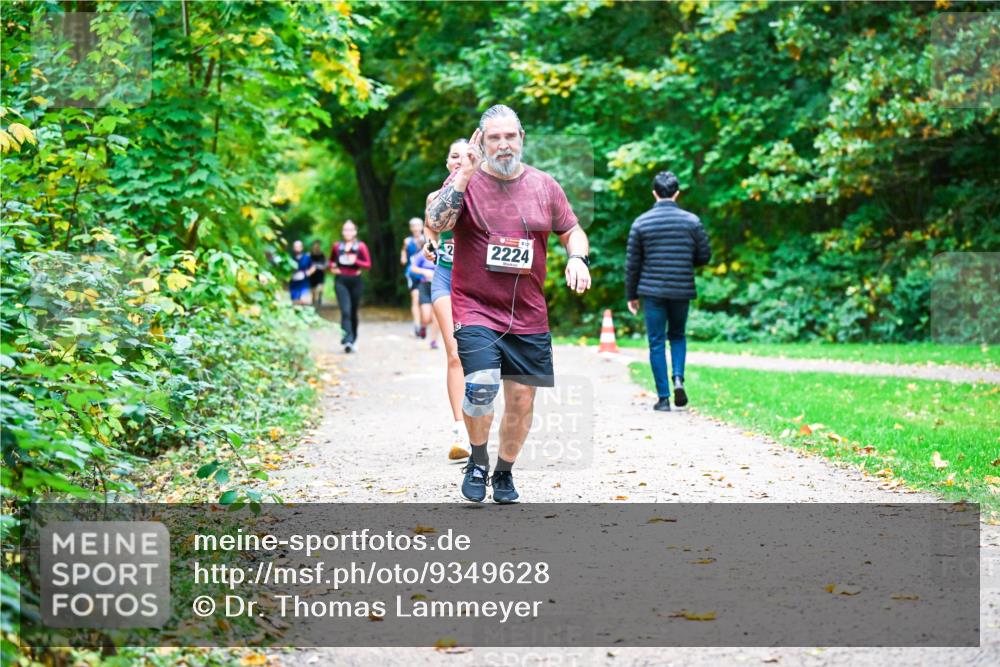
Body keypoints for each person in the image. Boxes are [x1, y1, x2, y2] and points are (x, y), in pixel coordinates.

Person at [426, 104, 591, 504]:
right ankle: (478, 460)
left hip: (528, 314)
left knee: (521, 399)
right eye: (494, 137)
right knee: (480, 385)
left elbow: (572, 230)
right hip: (475, 307)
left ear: (521, 139)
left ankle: (503, 471)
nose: (503, 144)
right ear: (481, 141)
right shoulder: (465, 182)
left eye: (510, 136)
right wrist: (463, 173)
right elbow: (437, 221)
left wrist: (577, 258)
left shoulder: (544, 186)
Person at [625, 171, 711, 412]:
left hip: (652, 291)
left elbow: (632, 264)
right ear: (677, 193)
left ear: (654, 193)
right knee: (678, 336)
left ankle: (663, 398)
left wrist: (631, 295)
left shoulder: (641, 223)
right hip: (681, 289)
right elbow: (705, 256)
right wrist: (684, 260)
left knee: (656, 342)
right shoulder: (692, 222)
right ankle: (678, 379)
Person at [423, 139, 469, 452]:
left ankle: (481, 418)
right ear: (447, 162)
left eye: (466, 156)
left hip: (478, 283)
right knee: (454, 353)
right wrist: (430, 244)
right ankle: (460, 431)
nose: (459, 161)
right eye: (454, 156)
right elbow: (431, 229)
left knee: (483, 355)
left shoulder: (486, 197)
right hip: (445, 277)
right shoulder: (435, 197)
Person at [328, 220, 371, 353]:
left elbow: (368, 264)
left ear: (355, 232)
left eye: (350, 229)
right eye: (345, 229)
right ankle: (347, 339)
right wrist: (333, 268)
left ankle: (353, 338)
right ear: (342, 232)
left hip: (355, 281)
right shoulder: (337, 246)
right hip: (341, 281)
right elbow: (331, 262)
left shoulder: (361, 246)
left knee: (353, 311)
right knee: (345, 311)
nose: (348, 232)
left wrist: (356, 261)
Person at [409, 231, 440, 349]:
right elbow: (412, 268)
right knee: (427, 317)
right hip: (425, 286)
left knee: (437, 315)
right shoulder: (424, 252)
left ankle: (433, 341)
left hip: (439, 286)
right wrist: (424, 271)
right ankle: (423, 325)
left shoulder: (444, 252)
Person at [400, 218, 425, 338]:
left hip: (425, 273)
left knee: (424, 301)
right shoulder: (407, 241)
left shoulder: (427, 239)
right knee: (415, 298)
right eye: (413, 226)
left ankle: (424, 324)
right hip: (412, 274)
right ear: (410, 228)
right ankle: (417, 326)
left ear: (422, 226)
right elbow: (403, 258)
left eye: (418, 225)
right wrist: (404, 256)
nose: (416, 228)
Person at [288, 240, 315, 305]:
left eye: (298, 246)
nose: (297, 248)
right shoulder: (289, 258)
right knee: (295, 302)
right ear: (293, 248)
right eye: (295, 247)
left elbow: (313, 267)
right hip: (294, 284)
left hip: (304, 283)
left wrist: (308, 273)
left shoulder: (307, 257)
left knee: (304, 300)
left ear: (302, 247)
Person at [308, 240, 327, 307]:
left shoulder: (322, 255)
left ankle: (319, 299)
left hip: (320, 274)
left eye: (317, 246)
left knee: (320, 287)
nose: (316, 247)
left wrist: (322, 267)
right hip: (312, 274)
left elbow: (325, 264)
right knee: (313, 288)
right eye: (315, 246)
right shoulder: (309, 255)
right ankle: (313, 300)